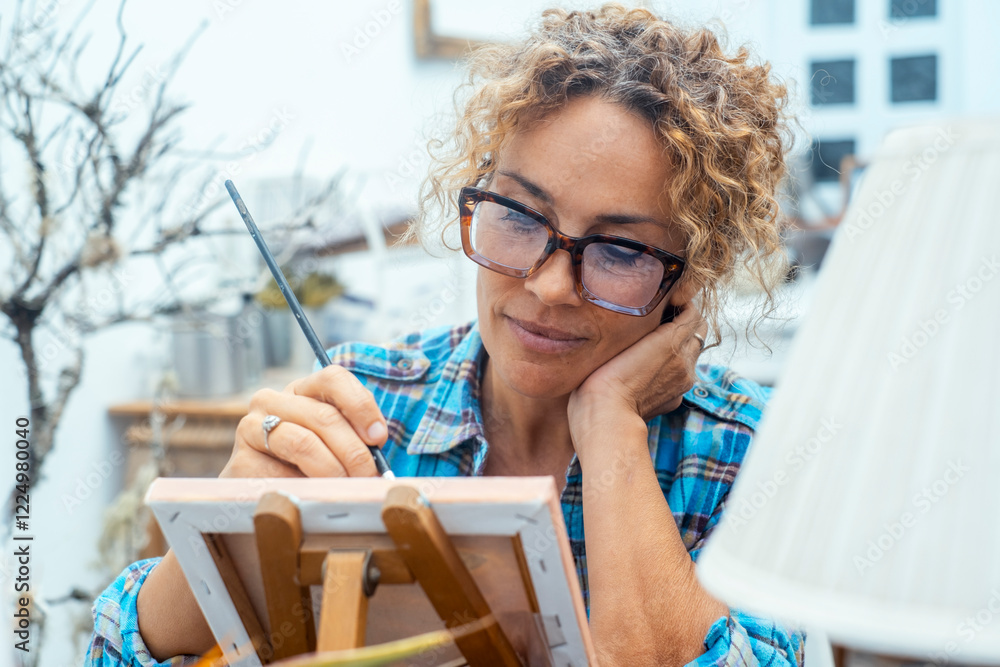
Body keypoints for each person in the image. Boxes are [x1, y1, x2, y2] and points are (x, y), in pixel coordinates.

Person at [87, 4, 802, 665]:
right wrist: (217, 541)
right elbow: (111, 651)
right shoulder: (361, 406)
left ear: (687, 279)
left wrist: (611, 424)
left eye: (620, 251)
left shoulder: (748, 452)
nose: (548, 285)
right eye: (520, 216)